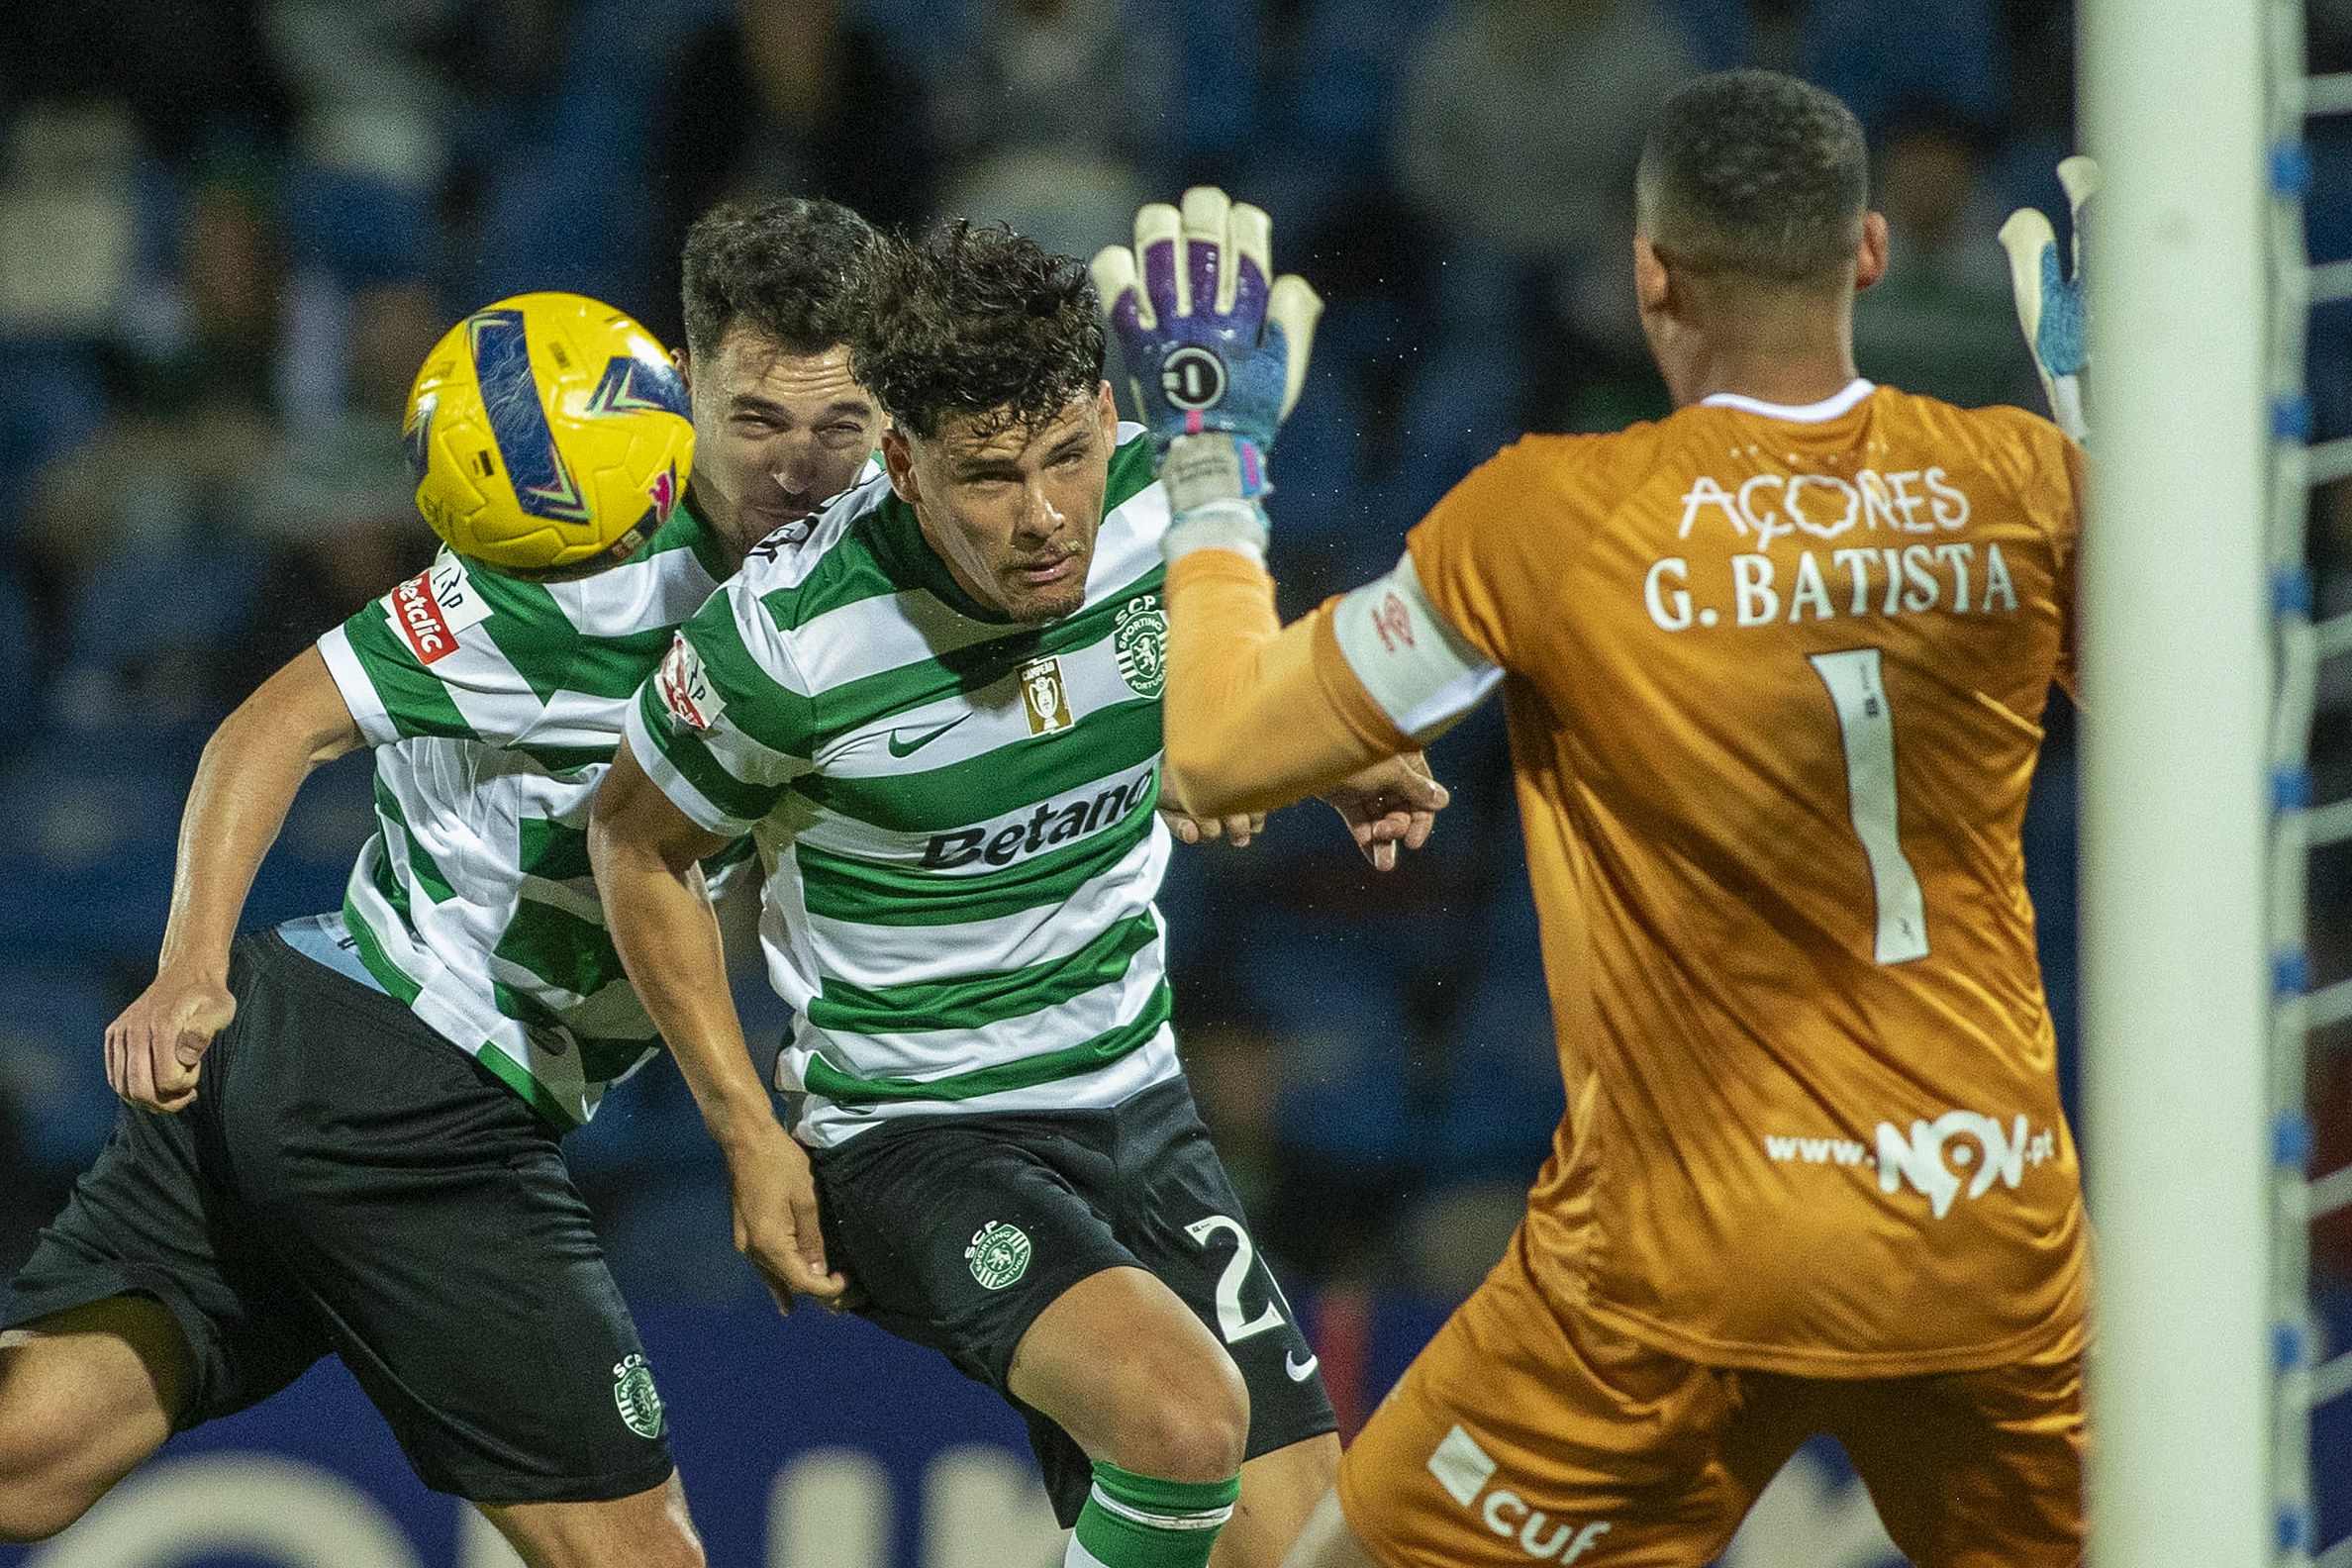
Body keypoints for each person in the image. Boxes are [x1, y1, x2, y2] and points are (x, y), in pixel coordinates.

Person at [1099, 70, 2087, 1568]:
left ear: (1648, 275)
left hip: (1681, 1267)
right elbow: (2198, 711)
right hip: (1984, 1235)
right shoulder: (2022, 483)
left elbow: (1215, 752)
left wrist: (1208, 468)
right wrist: (2129, 448)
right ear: (1869, 253)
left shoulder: (1557, 519)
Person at [0, 197, 889, 1568]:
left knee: (28, 1460)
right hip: (411, 1088)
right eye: (759, 421)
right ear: (686, 387)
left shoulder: (860, 567)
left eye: (839, 428)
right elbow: (267, 726)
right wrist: (186, 967)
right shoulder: (569, 566)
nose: (800, 465)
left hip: (319, 1053)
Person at [588, 219, 1446, 1568]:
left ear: (1112, 414)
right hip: (913, 1132)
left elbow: (1231, 676)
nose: (1043, 517)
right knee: (1178, 1424)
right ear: (903, 463)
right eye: (987, 477)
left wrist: (1318, 746)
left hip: (1136, 1098)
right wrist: (747, 1131)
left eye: (1067, 457)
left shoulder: (1172, 503)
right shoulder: (788, 639)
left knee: (1307, 1555)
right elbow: (636, 847)